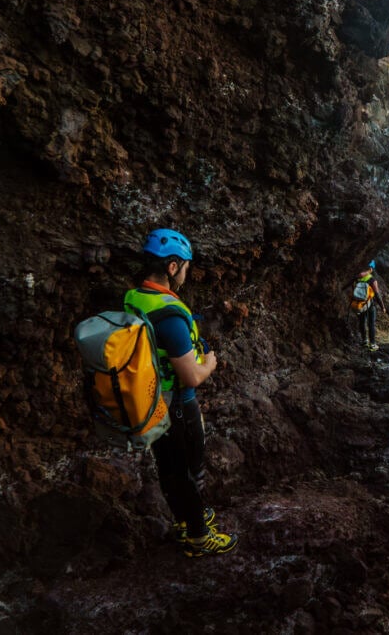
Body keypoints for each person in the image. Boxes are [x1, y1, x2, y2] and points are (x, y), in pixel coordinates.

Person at [124, 228, 238, 558]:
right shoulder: (170, 316)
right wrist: (211, 363)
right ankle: (199, 537)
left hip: (148, 399)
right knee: (186, 469)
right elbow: (191, 376)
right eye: (186, 266)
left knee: (170, 466)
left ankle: (187, 519)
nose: (187, 273)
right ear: (173, 267)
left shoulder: (135, 297)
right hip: (175, 403)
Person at [350, 260, 388, 351]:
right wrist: (383, 307)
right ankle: (373, 344)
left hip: (360, 304)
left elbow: (354, 291)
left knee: (362, 322)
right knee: (371, 324)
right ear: (371, 269)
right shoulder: (372, 280)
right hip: (370, 305)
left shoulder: (357, 278)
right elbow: (377, 295)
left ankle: (364, 342)